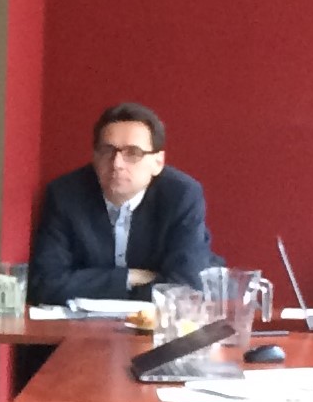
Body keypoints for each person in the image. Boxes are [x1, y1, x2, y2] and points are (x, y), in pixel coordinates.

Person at [26, 103, 215, 305]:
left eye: (133, 153)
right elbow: (44, 284)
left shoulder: (182, 195)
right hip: (82, 323)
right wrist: (130, 278)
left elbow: (186, 288)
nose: (116, 164)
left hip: (157, 323)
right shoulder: (65, 194)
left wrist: (90, 284)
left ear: (158, 162)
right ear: (94, 157)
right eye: (107, 150)